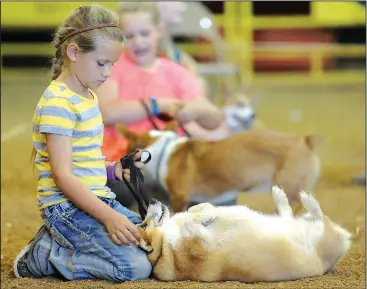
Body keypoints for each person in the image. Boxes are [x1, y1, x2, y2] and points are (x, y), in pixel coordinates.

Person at [13, 4, 152, 282]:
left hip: (92, 199)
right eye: (102, 63)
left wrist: (113, 170)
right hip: (66, 209)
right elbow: (63, 176)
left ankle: (61, 245)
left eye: (112, 65)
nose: (108, 72)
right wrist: (109, 217)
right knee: (135, 268)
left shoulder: (88, 96)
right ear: (74, 52)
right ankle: (45, 256)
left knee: (148, 239)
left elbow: (82, 161)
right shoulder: (58, 103)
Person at [96, 2, 235, 209]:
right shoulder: (113, 68)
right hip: (125, 161)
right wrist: (157, 104)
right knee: (125, 189)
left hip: (172, 162)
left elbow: (214, 119)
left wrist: (197, 110)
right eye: (130, 36)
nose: (138, 42)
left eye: (144, 33)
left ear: (159, 31)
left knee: (221, 189)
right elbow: (107, 112)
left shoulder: (176, 71)